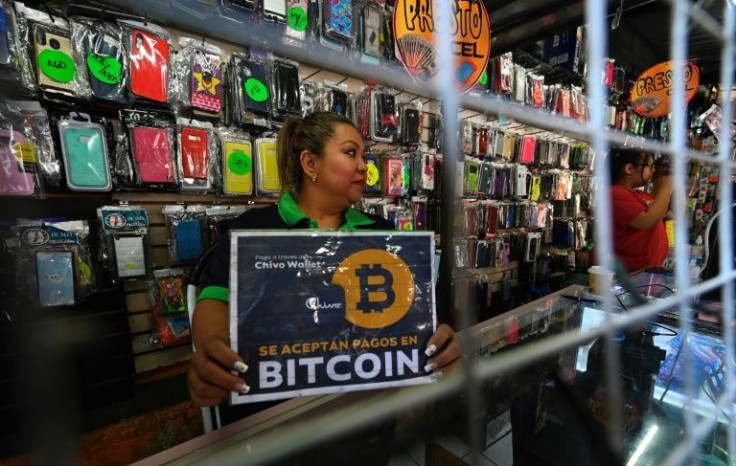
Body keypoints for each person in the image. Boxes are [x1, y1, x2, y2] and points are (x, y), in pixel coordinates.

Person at [188, 112, 462, 428]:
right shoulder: (250, 231)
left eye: (363, 155)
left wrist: (439, 346)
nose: (364, 166)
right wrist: (212, 353)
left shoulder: (384, 233)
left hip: (364, 423)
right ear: (310, 164)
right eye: (350, 153)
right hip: (273, 424)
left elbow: (412, 316)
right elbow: (214, 299)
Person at [608, 148, 673, 272]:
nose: (653, 171)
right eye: (649, 166)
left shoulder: (641, 195)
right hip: (628, 276)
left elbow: (675, 213)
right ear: (629, 168)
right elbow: (647, 220)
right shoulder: (614, 194)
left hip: (648, 273)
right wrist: (668, 184)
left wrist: (665, 181)